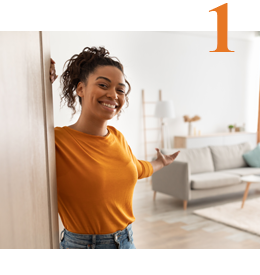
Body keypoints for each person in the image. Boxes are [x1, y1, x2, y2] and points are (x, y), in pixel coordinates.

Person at [50, 46, 180, 249]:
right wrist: (35, 76)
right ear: (80, 88)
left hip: (126, 241)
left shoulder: (117, 137)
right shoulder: (56, 141)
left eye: (120, 90)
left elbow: (135, 169)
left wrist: (160, 163)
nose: (113, 95)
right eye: (103, 85)